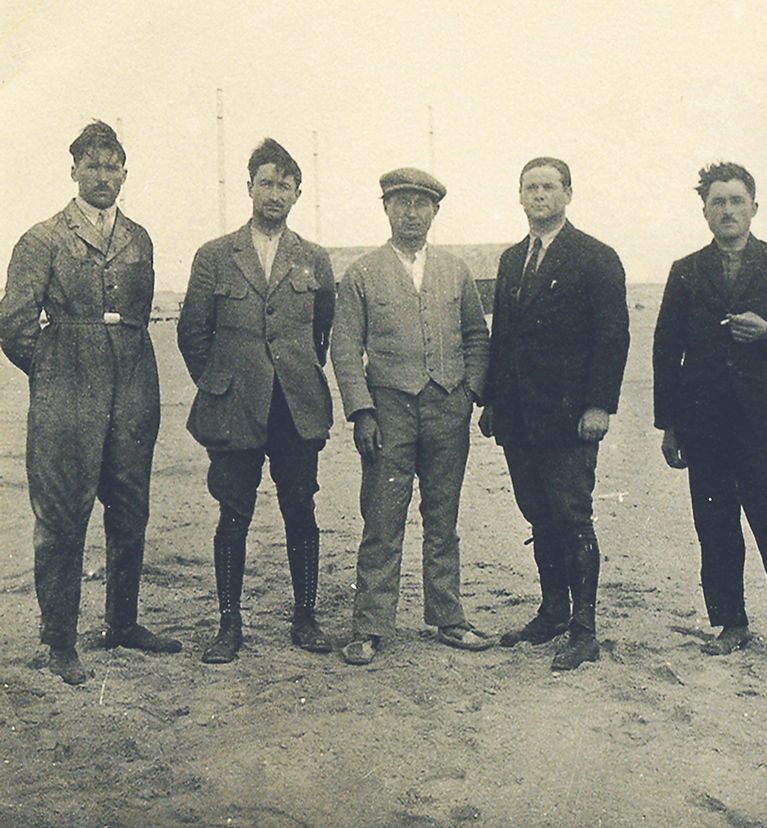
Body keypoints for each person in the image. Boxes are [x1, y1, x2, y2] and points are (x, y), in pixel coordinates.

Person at [0, 121, 180, 685]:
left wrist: (110, 365)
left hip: (133, 388)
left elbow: (137, 314)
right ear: (73, 170)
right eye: (92, 165)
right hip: (66, 395)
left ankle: (122, 623)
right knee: (61, 517)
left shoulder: (140, 238)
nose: (103, 176)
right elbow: (14, 325)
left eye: (113, 166)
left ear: (125, 173)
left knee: (129, 509)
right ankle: (60, 642)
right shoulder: (42, 238)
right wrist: (57, 372)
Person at [653, 161, 767, 673]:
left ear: (755, 207)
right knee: (715, 525)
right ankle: (732, 624)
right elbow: (666, 350)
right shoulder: (685, 269)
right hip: (703, 422)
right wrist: (669, 424)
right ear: (704, 212)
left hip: (765, 422)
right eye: (717, 202)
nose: (727, 210)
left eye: (736, 201)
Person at [177, 138, 334, 663]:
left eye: (285, 184)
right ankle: (229, 625)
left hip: (295, 407)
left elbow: (321, 332)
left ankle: (305, 617)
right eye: (265, 182)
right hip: (234, 407)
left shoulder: (313, 257)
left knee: (300, 509)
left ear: (297, 193)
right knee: (233, 512)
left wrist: (293, 375)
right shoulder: (215, 255)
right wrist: (221, 381)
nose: (275, 193)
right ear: (249, 187)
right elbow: (192, 335)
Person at [330, 168, 491, 665]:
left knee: (443, 520)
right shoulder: (361, 273)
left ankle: (448, 616)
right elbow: (344, 346)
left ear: (435, 212)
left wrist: (468, 393)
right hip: (389, 411)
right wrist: (362, 412)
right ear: (386, 209)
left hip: (447, 408)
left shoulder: (455, 270)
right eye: (401, 203)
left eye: (422, 205)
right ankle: (371, 625)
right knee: (383, 518)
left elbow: (476, 337)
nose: (412, 213)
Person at [480, 157, 630, 671]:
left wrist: (598, 406)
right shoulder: (510, 260)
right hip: (519, 417)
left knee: (570, 514)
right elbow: (503, 338)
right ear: (519, 196)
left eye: (549, 186)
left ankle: (584, 628)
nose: (539, 195)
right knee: (537, 514)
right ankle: (552, 612)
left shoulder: (596, 257)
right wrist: (493, 403)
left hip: (570, 418)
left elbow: (612, 339)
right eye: (530, 187)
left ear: (568, 194)